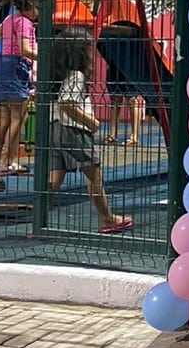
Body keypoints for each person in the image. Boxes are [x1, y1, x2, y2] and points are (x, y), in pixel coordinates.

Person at [48, 30, 132, 233]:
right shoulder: (76, 76)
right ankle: (108, 218)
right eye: (87, 50)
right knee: (94, 176)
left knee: (53, 179)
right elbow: (67, 102)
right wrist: (91, 121)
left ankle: (38, 218)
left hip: (55, 127)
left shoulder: (57, 74)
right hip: (75, 131)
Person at [0, 0, 38, 190]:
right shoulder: (25, 23)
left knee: (6, 116)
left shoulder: (10, 20)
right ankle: (7, 159)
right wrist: (42, 56)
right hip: (15, 67)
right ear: (31, 4)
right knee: (20, 114)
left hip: (0, 67)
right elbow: (25, 48)